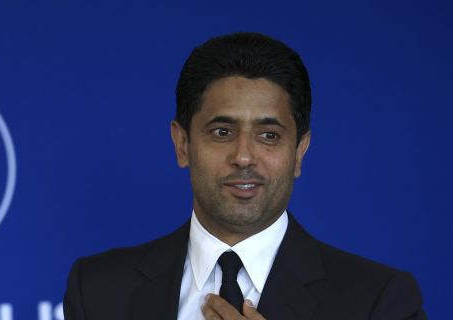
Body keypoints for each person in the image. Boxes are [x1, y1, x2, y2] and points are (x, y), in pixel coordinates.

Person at [63, 32, 427, 320]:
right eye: (222, 132)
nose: (243, 156)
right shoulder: (97, 290)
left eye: (269, 135)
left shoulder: (378, 301)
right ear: (182, 144)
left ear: (299, 151)